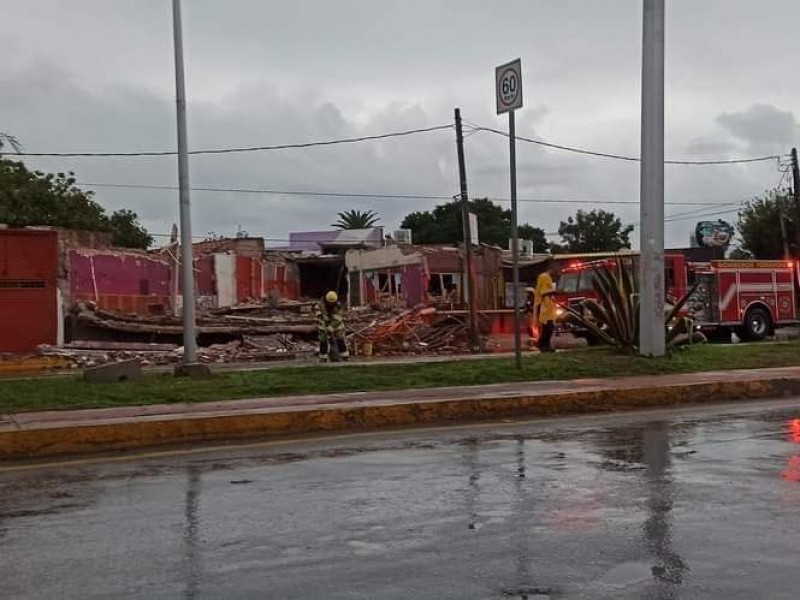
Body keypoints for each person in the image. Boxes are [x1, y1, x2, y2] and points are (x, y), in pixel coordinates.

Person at [315, 291, 349, 362]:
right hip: (323, 326)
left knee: (340, 340)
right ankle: (323, 358)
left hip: (337, 326)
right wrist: (319, 315)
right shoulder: (321, 304)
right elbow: (316, 309)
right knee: (323, 341)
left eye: (332, 303)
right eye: (329, 303)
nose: (331, 304)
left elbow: (337, 319)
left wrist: (331, 327)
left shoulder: (338, 307)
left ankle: (344, 356)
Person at [534, 265, 558, 352]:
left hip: (549, 307)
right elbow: (542, 292)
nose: (556, 273)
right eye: (555, 270)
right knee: (547, 327)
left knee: (549, 328)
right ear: (550, 269)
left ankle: (545, 345)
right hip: (544, 306)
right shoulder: (544, 277)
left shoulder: (548, 278)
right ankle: (543, 345)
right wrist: (553, 291)